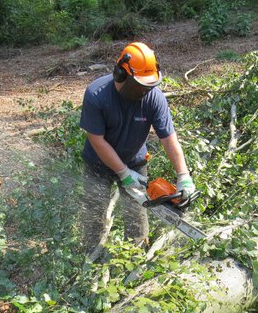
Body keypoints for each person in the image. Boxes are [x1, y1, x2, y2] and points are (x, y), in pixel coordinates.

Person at [79, 42, 196, 260]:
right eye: (139, 86)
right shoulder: (97, 94)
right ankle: (90, 258)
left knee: (136, 213)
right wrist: (122, 173)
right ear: (120, 75)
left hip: (135, 160)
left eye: (148, 86)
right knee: (94, 211)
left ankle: (135, 257)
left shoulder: (154, 97)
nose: (144, 91)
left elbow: (168, 138)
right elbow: (96, 139)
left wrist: (184, 176)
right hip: (98, 163)